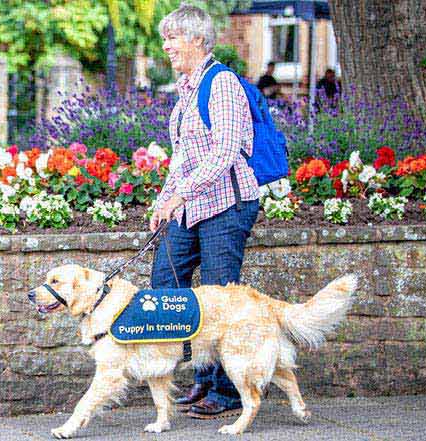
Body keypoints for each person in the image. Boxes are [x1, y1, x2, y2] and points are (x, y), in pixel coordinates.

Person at [152, 2, 260, 420]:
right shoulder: (187, 89)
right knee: (167, 286)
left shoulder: (222, 83)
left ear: (197, 39)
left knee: (219, 299)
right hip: (190, 206)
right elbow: (183, 157)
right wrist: (164, 200)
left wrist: (180, 195)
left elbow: (225, 152)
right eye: (165, 39)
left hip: (227, 205)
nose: (166, 46)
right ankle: (202, 374)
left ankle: (227, 390)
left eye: (172, 38)